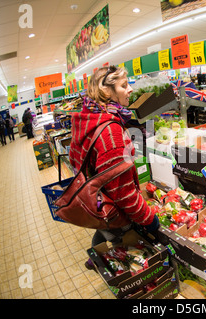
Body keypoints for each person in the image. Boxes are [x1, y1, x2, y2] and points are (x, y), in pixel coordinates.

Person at [68, 65, 159, 271]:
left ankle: (96, 257)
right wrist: (149, 219)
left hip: (98, 200)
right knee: (126, 253)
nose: (130, 90)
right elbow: (123, 192)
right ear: (107, 91)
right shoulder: (111, 131)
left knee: (105, 227)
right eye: (124, 85)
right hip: (114, 208)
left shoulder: (88, 119)